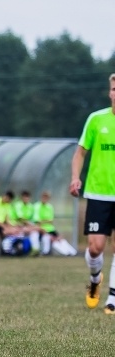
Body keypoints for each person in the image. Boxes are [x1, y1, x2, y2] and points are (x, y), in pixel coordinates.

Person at [69, 73, 115, 314]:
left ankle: (113, 299)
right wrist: (76, 177)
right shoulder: (96, 120)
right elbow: (79, 153)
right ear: (110, 92)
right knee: (96, 247)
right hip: (98, 193)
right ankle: (95, 279)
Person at [33, 190, 77, 256]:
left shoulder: (50, 207)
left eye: (46, 197)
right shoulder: (37, 206)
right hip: (42, 229)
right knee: (52, 240)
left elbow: (51, 221)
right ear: (41, 197)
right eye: (44, 197)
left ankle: (73, 252)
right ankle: (64, 253)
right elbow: (37, 221)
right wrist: (46, 221)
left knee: (60, 239)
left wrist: (43, 221)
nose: (45, 199)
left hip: (50, 229)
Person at [12, 190, 39, 255]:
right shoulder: (18, 205)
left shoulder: (30, 206)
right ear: (21, 198)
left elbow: (33, 218)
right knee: (20, 234)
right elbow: (20, 218)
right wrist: (31, 225)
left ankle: (35, 250)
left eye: (27, 197)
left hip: (27, 226)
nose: (26, 199)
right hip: (17, 225)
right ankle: (17, 250)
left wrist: (33, 225)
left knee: (35, 233)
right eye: (24, 197)